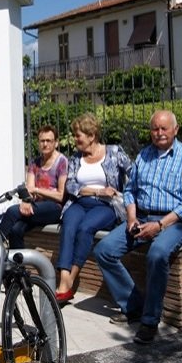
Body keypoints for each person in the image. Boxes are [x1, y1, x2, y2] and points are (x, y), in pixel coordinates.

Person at [94, 109, 182, 344]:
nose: (159, 133)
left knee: (157, 254)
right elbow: (130, 190)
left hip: (173, 221)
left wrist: (159, 225)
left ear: (175, 130)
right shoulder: (144, 156)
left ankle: (150, 321)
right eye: (155, 128)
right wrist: (131, 218)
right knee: (104, 250)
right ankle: (133, 307)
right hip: (141, 217)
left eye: (164, 128)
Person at [54, 113, 132, 303]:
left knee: (85, 228)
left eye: (78, 135)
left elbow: (134, 173)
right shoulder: (75, 158)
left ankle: (70, 278)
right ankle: (64, 281)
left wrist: (124, 195)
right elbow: (71, 186)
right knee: (69, 226)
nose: (75, 139)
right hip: (80, 202)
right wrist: (96, 192)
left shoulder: (114, 152)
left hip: (106, 205)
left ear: (92, 135)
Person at [0, 125, 68, 252]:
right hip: (35, 207)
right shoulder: (34, 163)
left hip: (55, 208)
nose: (45, 144)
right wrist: (26, 200)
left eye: (49, 141)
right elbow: (28, 189)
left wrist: (36, 190)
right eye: (42, 141)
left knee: (12, 211)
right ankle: (18, 269)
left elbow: (60, 195)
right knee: (15, 230)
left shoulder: (62, 162)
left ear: (56, 143)